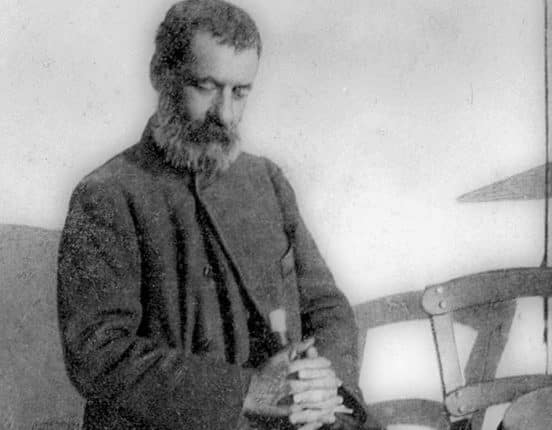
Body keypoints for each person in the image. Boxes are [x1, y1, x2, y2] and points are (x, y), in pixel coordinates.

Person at [56, 1, 378, 429]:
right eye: (206, 87)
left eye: (240, 92)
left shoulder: (267, 180)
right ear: (160, 74)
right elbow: (98, 355)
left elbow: (327, 306)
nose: (225, 115)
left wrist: (324, 381)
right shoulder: (105, 194)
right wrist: (246, 392)